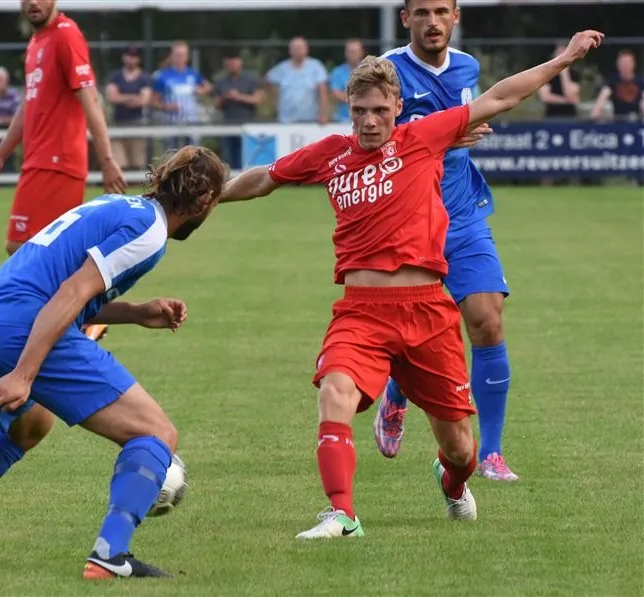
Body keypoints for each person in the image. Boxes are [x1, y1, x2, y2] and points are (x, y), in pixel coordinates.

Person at [220, 31, 603, 538]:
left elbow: (502, 96)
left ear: (399, 106)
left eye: (380, 109)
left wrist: (566, 58)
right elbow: (265, 177)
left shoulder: (423, 139)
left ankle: (451, 481)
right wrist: (206, 201)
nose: (370, 121)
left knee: (461, 448)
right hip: (360, 312)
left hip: (426, 312)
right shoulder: (331, 155)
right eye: (359, 110)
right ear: (349, 109)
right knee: (334, 391)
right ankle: (343, 514)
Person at [0, 146, 228, 578]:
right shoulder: (151, 233)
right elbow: (69, 293)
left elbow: (70, 290)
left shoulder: (117, 205)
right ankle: (110, 556)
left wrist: (136, 311)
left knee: (31, 425)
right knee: (156, 432)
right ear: (203, 202)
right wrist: (23, 374)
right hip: (20, 328)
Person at [375, 0, 517, 481]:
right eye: (421, 13)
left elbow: (475, 111)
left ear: (456, 17)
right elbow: (371, 139)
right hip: (407, 221)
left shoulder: (467, 67)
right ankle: (398, 392)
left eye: (441, 11)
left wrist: (468, 128)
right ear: (405, 19)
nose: (432, 22)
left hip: (461, 214)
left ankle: (492, 453)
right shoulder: (386, 72)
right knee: (410, 332)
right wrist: (441, 135)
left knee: (486, 318)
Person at [0, 0, 125, 342]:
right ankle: (79, 318)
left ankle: (83, 316)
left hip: (58, 161)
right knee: (39, 249)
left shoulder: (66, 35)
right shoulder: (36, 42)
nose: (33, 2)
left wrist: (106, 158)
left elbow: (90, 98)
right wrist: (0, 156)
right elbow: (29, 106)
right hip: (38, 160)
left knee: (23, 245)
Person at [152, 40, 212, 150]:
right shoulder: (163, 76)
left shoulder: (193, 74)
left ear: (187, 56)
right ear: (172, 56)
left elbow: (208, 87)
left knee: (192, 154)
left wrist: (200, 91)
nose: (180, 58)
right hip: (171, 122)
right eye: (177, 55)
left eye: (183, 55)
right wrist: (166, 106)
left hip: (191, 121)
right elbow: (155, 101)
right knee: (172, 153)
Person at [214, 49, 264, 169]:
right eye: (229, 63)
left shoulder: (251, 80)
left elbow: (257, 100)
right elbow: (216, 104)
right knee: (229, 157)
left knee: (246, 157)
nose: (232, 66)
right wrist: (225, 97)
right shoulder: (221, 81)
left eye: (234, 62)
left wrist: (238, 96)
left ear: (240, 63)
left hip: (247, 125)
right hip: (228, 124)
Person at [106, 46, 152, 172]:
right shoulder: (115, 76)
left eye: (134, 56)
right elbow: (112, 97)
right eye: (129, 56)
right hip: (118, 123)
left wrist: (122, 97)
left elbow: (144, 100)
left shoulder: (144, 77)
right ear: (124, 57)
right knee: (120, 164)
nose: (131, 59)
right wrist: (133, 97)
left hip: (137, 124)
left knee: (138, 163)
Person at [266, 36, 329, 124]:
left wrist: (323, 114)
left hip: (310, 119)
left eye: (300, 48)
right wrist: (274, 103)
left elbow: (322, 90)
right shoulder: (282, 68)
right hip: (285, 119)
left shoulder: (316, 67)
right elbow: (268, 80)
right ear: (290, 50)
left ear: (307, 49)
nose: (298, 50)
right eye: (295, 48)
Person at [590, 49, 644, 121]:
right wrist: (595, 113)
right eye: (622, 63)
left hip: (636, 120)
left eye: (627, 63)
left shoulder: (640, 81)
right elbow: (603, 97)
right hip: (618, 120)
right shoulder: (612, 81)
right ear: (618, 64)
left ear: (633, 64)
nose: (625, 66)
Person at [538, 43, 581, 119]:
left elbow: (570, 95)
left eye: (564, 54)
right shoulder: (547, 74)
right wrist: (565, 101)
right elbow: (546, 97)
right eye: (559, 54)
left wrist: (564, 72)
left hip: (571, 116)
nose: (562, 57)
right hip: (552, 115)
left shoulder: (574, 74)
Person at [329, 39, 366, 123]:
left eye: (356, 51)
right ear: (345, 53)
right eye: (350, 51)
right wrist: (361, 99)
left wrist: (348, 98)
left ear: (361, 52)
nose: (353, 54)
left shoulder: (370, 69)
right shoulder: (337, 72)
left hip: (365, 118)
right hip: (342, 119)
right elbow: (336, 94)